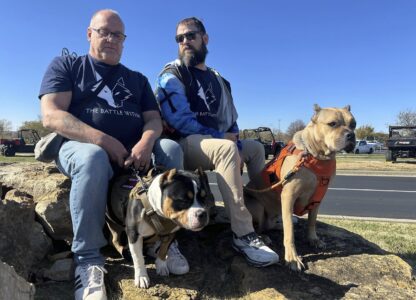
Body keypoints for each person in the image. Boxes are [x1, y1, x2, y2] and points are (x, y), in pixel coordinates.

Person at [39, 9, 185, 300]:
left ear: (124, 40)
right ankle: (89, 259)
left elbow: (153, 121)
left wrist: (145, 142)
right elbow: (51, 115)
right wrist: (103, 140)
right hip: (81, 149)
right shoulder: (67, 66)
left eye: (117, 35)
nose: (110, 39)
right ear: (89, 33)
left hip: (133, 153)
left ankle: (163, 240)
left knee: (170, 148)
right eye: (103, 31)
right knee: (93, 158)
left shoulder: (137, 79)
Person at [155, 17, 279, 267]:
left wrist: (234, 137)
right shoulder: (172, 74)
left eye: (190, 36)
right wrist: (224, 139)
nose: (185, 42)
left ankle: (270, 211)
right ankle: (243, 234)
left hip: (217, 142)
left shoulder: (219, 79)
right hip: (185, 143)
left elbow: (231, 118)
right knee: (225, 149)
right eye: (179, 39)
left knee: (255, 148)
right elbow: (178, 120)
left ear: (205, 38)